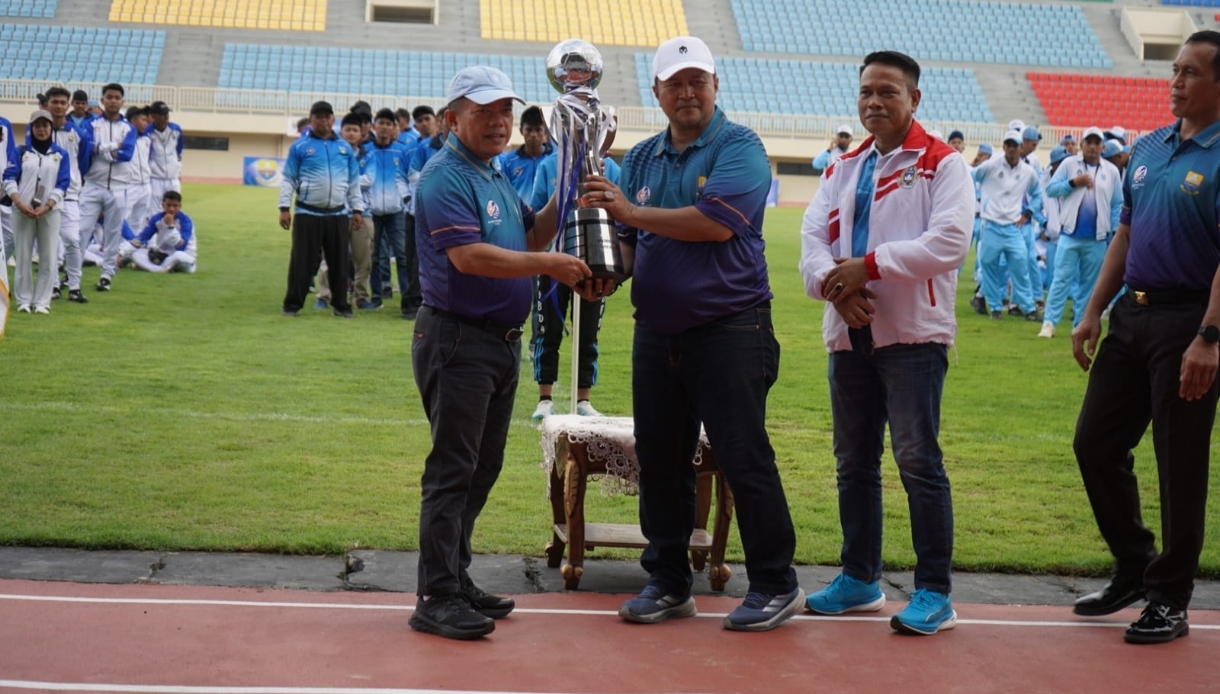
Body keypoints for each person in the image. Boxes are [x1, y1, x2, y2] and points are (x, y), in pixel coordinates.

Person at [579, 36, 803, 633]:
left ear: (715, 86)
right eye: (674, 83)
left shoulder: (741, 147)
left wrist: (629, 214)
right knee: (660, 458)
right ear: (656, 91)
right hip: (657, 333)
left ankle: (777, 583)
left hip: (731, 329)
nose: (686, 92)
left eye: (697, 80)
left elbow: (712, 225)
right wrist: (606, 272)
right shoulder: (647, 156)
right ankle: (669, 580)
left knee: (742, 455)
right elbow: (634, 244)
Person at [409, 66, 593, 640]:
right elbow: (471, 258)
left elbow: (530, 234)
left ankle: (453, 577)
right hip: (458, 339)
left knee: (480, 467)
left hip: (494, 343)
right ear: (452, 118)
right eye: (484, 112)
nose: (498, 122)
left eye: (504, 112)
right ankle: (436, 594)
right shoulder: (445, 178)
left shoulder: (490, 173)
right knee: (453, 470)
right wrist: (550, 266)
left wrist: (571, 182)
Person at [798, 50, 973, 636]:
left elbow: (948, 243)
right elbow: (811, 247)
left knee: (918, 462)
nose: (874, 102)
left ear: (914, 99)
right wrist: (837, 289)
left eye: (888, 92)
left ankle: (934, 592)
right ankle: (860, 579)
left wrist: (865, 268)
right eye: (867, 91)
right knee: (853, 464)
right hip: (850, 334)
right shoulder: (841, 167)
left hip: (914, 338)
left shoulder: (942, 164)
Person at [1069, 30, 1220, 645]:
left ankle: (1169, 597)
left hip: (1189, 323)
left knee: (1178, 463)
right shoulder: (1150, 147)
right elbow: (1125, 236)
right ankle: (1134, 565)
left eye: (1190, 72)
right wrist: (1091, 311)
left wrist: (1209, 337)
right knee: (1095, 445)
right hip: (1130, 317)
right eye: (1175, 69)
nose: (1175, 80)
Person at [278, 100, 363, 318]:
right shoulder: (299, 147)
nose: (323, 120)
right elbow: (288, 179)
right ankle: (292, 305)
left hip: (337, 214)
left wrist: (357, 210)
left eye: (327, 117)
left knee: (339, 263)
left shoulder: (344, 148)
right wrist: (284, 207)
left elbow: (353, 182)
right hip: (307, 213)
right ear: (311, 120)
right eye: (318, 117)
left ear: (333, 120)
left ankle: (341, 305)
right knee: (301, 261)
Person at [1039, 128, 1122, 338]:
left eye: (1097, 143)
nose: (1093, 147)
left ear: (1103, 147)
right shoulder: (1069, 165)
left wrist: (1112, 230)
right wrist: (1072, 184)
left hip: (1097, 238)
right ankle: (1049, 323)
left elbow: (1117, 204)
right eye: (1089, 142)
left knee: (1089, 284)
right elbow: (1051, 189)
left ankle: (1079, 324)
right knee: (1060, 279)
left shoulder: (1111, 171)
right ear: (1082, 145)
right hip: (1070, 234)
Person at [3, 110, 70, 314]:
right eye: (38, 125)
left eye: (46, 125)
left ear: (51, 128)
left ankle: (42, 302)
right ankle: (24, 300)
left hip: (49, 212)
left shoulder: (60, 154)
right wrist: (19, 202)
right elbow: (9, 177)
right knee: (22, 255)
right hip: (22, 211)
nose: (42, 129)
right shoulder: (21, 151)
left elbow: (63, 183)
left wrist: (48, 205)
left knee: (48, 257)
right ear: (32, 128)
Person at [972, 130, 1043, 320]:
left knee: (1021, 267)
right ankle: (995, 307)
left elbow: (1037, 194)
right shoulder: (992, 164)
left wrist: (1028, 213)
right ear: (1004, 147)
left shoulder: (1028, 172)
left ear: (1021, 148)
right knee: (989, 266)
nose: (1012, 149)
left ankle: (1028, 309)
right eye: (1008, 145)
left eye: (1015, 145)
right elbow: (973, 176)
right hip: (992, 225)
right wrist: (976, 200)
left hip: (1013, 227)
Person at [80, 83, 137, 293]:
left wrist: (99, 149)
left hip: (119, 187)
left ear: (122, 102)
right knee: (81, 230)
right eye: (109, 97)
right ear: (102, 100)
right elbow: (86, 147)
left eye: (117, 97)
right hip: (93, 185)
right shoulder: (91, 124)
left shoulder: (128, 128)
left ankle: (106, 275)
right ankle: (72, 274)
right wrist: (112, 147)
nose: (113, 101)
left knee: (113, 233)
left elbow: (127, 154)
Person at [45, 86, 93, 304]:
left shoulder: (79, 134)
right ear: (47, 105)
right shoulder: (39, 130)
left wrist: (73, 182)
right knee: (50, 242)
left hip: (70, 195)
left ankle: (74, 286)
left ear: (68, 105)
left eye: (63, 102)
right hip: (44, 196)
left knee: (73, 240)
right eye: (55, 102)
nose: (59, 106)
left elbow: (83, 163)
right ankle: (53, 285)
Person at [359, 108, 410, 311]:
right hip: (371, 212)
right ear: (374, 126)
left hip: (396, 212)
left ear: (394, 128)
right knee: (373, 256)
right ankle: (377, 296)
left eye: (389, 124)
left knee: (402, 255)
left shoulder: (402, 151)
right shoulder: (365, 151)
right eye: (381, 123)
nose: (385, 127)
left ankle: (407, 296)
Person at [129, 190, 195, 273]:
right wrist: (121, 254)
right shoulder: (157, 219)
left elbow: (180, 247)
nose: (171, 209)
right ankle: (160, 269)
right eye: (169, 205)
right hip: (163, 257)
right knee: (137, 253)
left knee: (178, 256)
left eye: (175, 206)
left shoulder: (186, 221)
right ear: (163, 205)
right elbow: (141, 239)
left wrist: (170, 226)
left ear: (180, 206)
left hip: (185, 257)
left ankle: (151, 267)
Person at [125, 105, 154, 236]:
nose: (146, 123)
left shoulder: (146, 139)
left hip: (145, 185)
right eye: (142, 120)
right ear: (133, 120)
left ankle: (131, 248)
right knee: (123, 218)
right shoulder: (123, 138)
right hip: (130, 184)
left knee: (139, 220)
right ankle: (118, 246)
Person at [146, 101, 183, 202]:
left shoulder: (176, 129)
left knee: (173, 209)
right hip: (155, 178)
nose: (166, 116)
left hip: (173, 178)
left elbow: (179, 151)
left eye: (167, 113)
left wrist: (177, 170)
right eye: (162, 114)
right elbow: (146, 155)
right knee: (154, 212)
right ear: (153, 116)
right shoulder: (147, 132)